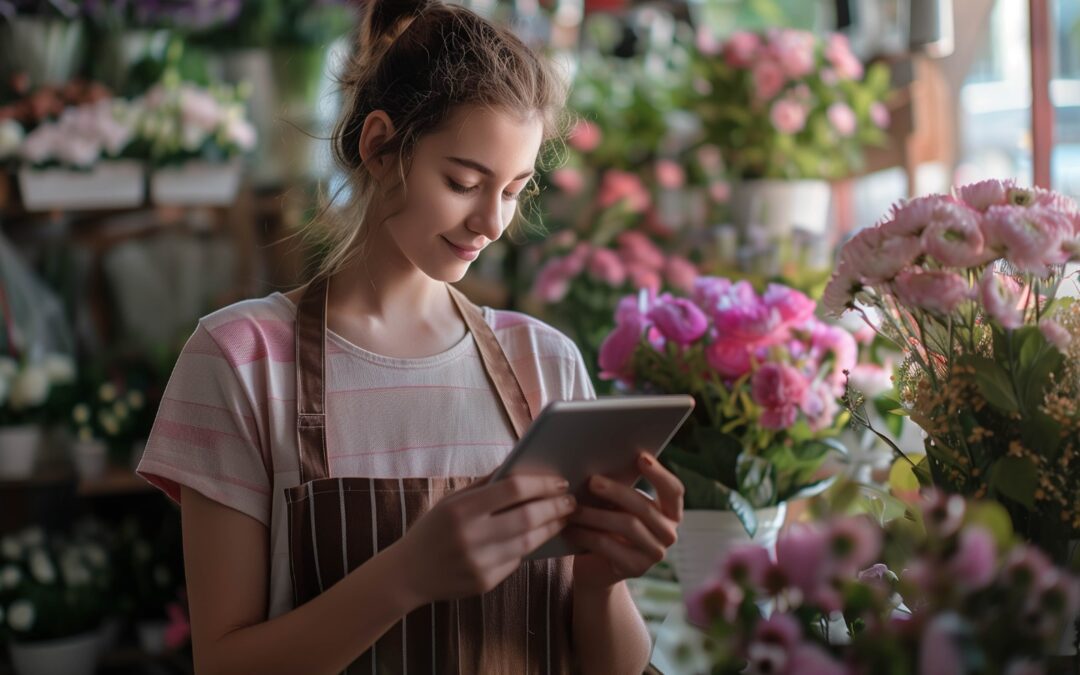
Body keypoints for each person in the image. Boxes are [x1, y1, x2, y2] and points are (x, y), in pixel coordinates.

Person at [136, 2, 685, 673]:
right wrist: (407, 575)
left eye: (514, 190)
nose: (490, 222)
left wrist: (602, 577)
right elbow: (223, 664)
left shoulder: (544, 361)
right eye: (463, 182)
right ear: (377, 145)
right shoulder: (240, 359)